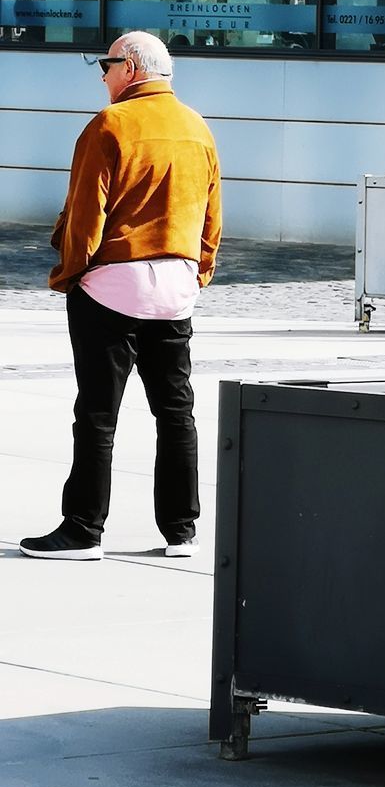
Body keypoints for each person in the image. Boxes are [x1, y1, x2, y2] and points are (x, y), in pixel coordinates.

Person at [20, 31, 222, 560]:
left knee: (97, 413)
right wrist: (198, 272)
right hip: (175, 288)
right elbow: (211, 217)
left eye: (106, 65)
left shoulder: (110, 125)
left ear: (130, 68)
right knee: (176, 412)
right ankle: (182, 530)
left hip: (113, 285)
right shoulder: (197, 127)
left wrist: (67, 274)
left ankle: (84, 529)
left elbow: (86, 216)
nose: (102, 75)